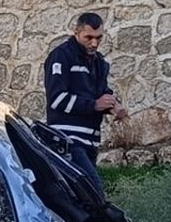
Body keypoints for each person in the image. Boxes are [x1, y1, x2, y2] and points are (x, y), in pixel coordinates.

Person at [43, 12, 128, 200]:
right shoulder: (61, 56)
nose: (94, 43)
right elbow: (56, 99)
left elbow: (101, 93)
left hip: (91, 141)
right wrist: (95, 105)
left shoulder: (100, 63)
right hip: (68, 139)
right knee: (94, 192)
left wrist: (113, 105)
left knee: (84, 197)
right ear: (76, 33)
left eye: (99, 38)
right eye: (88, 38)